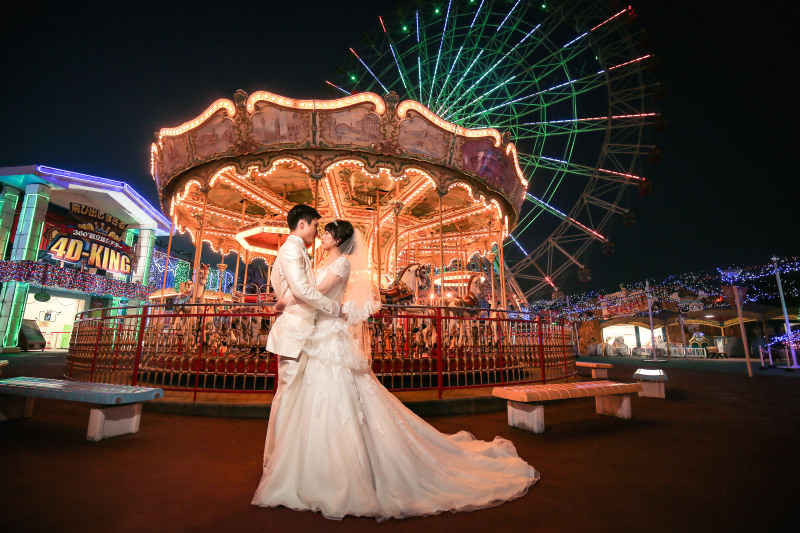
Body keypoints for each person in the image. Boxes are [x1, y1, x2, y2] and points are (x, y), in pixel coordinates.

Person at [252, 218, 539, 521]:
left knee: (336, 395)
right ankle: (311, 465)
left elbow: (316, 294)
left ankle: (338, 471)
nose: (321, 236)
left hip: (328, 334)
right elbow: (309, 289)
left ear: (337, 239)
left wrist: (288, 301)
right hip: (319, 336)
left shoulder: (342, 265)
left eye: (326, 233)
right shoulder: (323, 261)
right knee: (317, 398)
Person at [260, 204, 341, 469]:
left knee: (294, 394)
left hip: (303, 326)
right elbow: (303, 289)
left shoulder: (296, 251)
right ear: (303, 224)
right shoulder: (291, 249)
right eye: (316, 225)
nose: (318, 231)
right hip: (296, 329)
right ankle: (276, 459)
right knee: (287, 393)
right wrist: (335, 308)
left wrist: (284, 300)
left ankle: (286, 455)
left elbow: (289, 288)